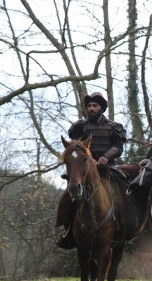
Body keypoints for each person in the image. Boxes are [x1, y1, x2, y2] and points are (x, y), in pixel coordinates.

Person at [56, 92, 127, 249]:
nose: (91, 108)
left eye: (95, 106)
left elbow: (118, 146)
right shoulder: (79, 127)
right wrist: (88, 161)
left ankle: (127, 226)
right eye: (89, 106)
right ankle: (68, 231)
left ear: (101, 108)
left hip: (107, 167)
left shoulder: (113, 127)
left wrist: (105, 157)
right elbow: (75, 146)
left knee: (124, 186)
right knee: (69, 195)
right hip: (84, 169)